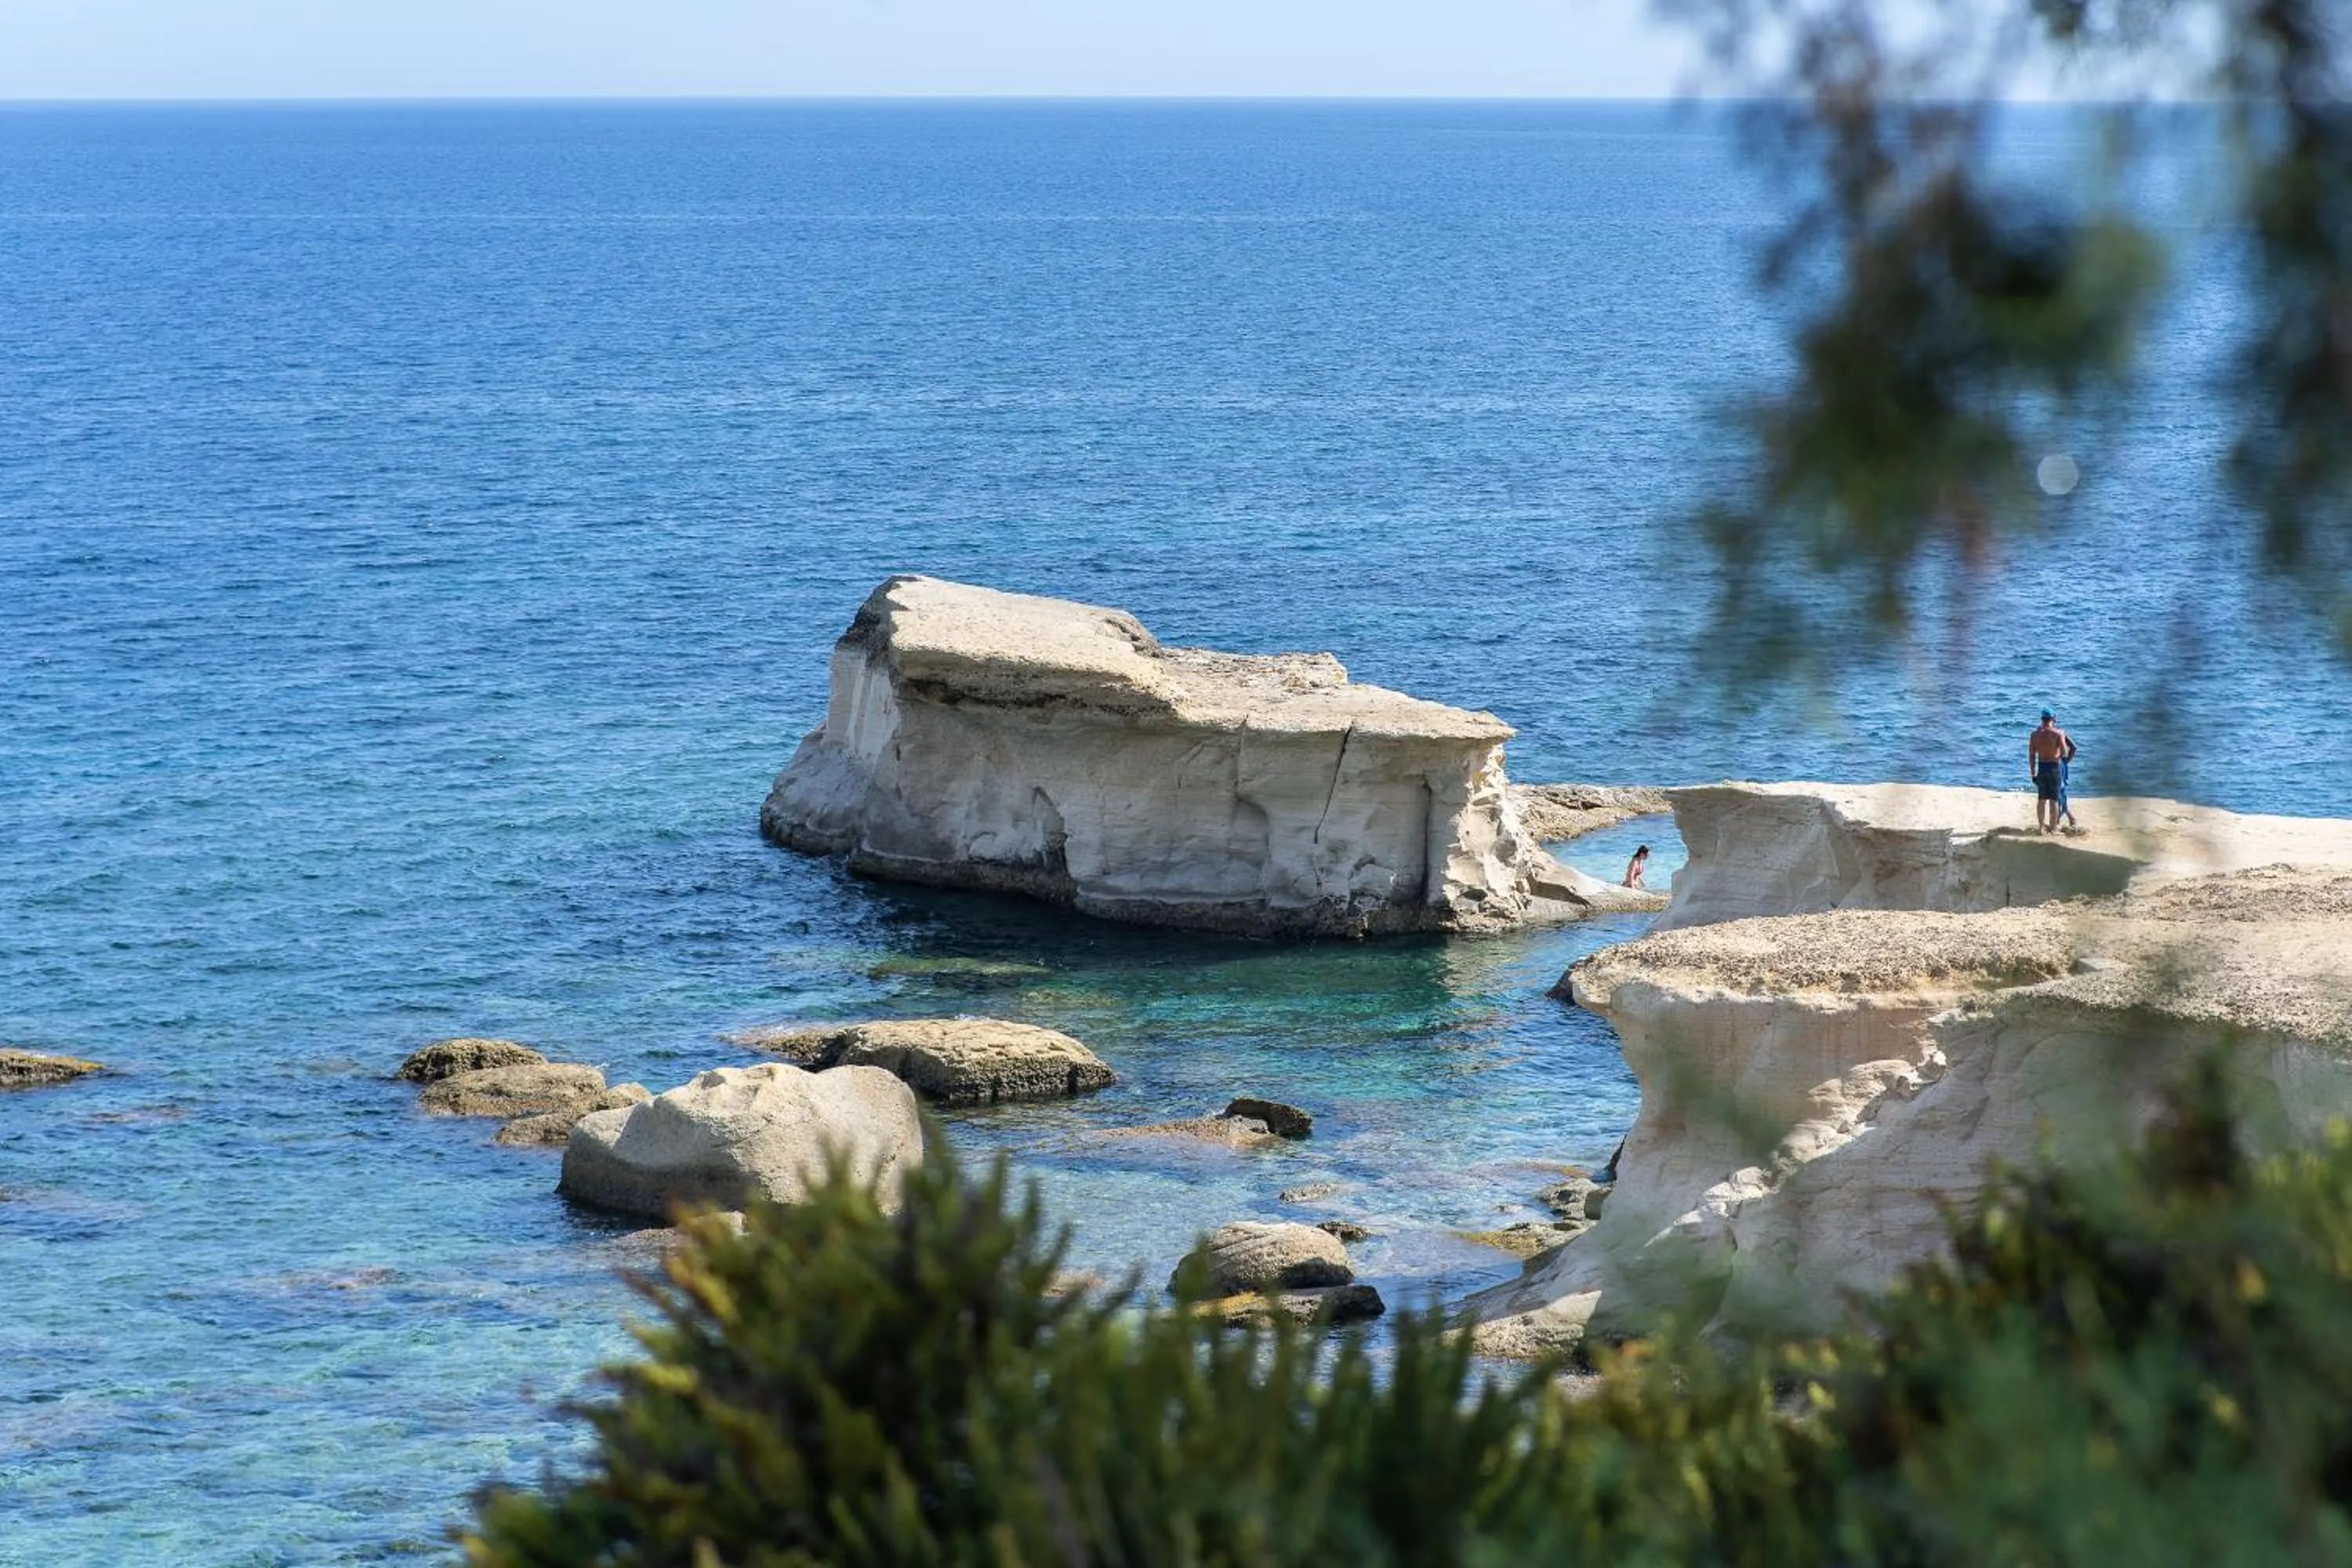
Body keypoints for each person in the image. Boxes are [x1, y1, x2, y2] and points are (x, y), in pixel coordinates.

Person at [2027, 711, 2077, 834]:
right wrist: (2057, 755)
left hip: (2042, 768)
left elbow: (2032, 756)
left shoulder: (2034, 735)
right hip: (2054, 768)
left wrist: (2033, 773)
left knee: (2041, 800)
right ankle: (2054, 829)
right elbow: (2065, 752)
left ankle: (2040, 828)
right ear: (2053, 719)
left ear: (2042, 719)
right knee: (2054, 800)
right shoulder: (2058, 733)